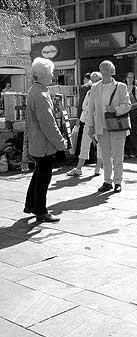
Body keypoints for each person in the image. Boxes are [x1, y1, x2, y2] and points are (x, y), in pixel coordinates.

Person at [24, 57, 66, 223]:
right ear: (42, 75)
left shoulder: (34, 90)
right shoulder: (41, 94)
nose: (52, 76)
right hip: (43, 145)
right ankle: (41, 211)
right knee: (43, 178)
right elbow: (48, 124)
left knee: (38, 175)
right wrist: (61, 143)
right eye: (51, 73)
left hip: (37, 143)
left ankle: (30, 205)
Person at [87, 61, 131, 193]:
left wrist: (116, 109)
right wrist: (90, 126)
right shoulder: (95, 87)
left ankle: (118, 181)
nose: (104, 71)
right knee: (105, 156)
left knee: (118, 156)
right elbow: (91, 108)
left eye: (107, 69)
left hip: (117, 126)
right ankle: (107, 181)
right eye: (102, 69)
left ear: (112, 71)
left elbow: (128, 105)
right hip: (102, 126)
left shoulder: (121, 87)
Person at [67, 71, 103, 177]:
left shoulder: (101, 93)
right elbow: (84, 107)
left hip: (98, 120)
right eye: (92, 80)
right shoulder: (89, 92)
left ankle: (97, 167)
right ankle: (79, 168)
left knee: (99, 143)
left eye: (96, 79)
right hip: (88, 120)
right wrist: (81, 119)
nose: (94, 82)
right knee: (84, 144)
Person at [125, 72, 137, 158]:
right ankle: (128, 151)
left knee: (134, 132)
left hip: (133, 112)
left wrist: (131, 105)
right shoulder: (123, 88)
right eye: (128, 77)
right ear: (126, 78)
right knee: (126, 132)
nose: (130, 79)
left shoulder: (136, 89)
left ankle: (135, 152)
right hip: (125, 112)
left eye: (132, 77)